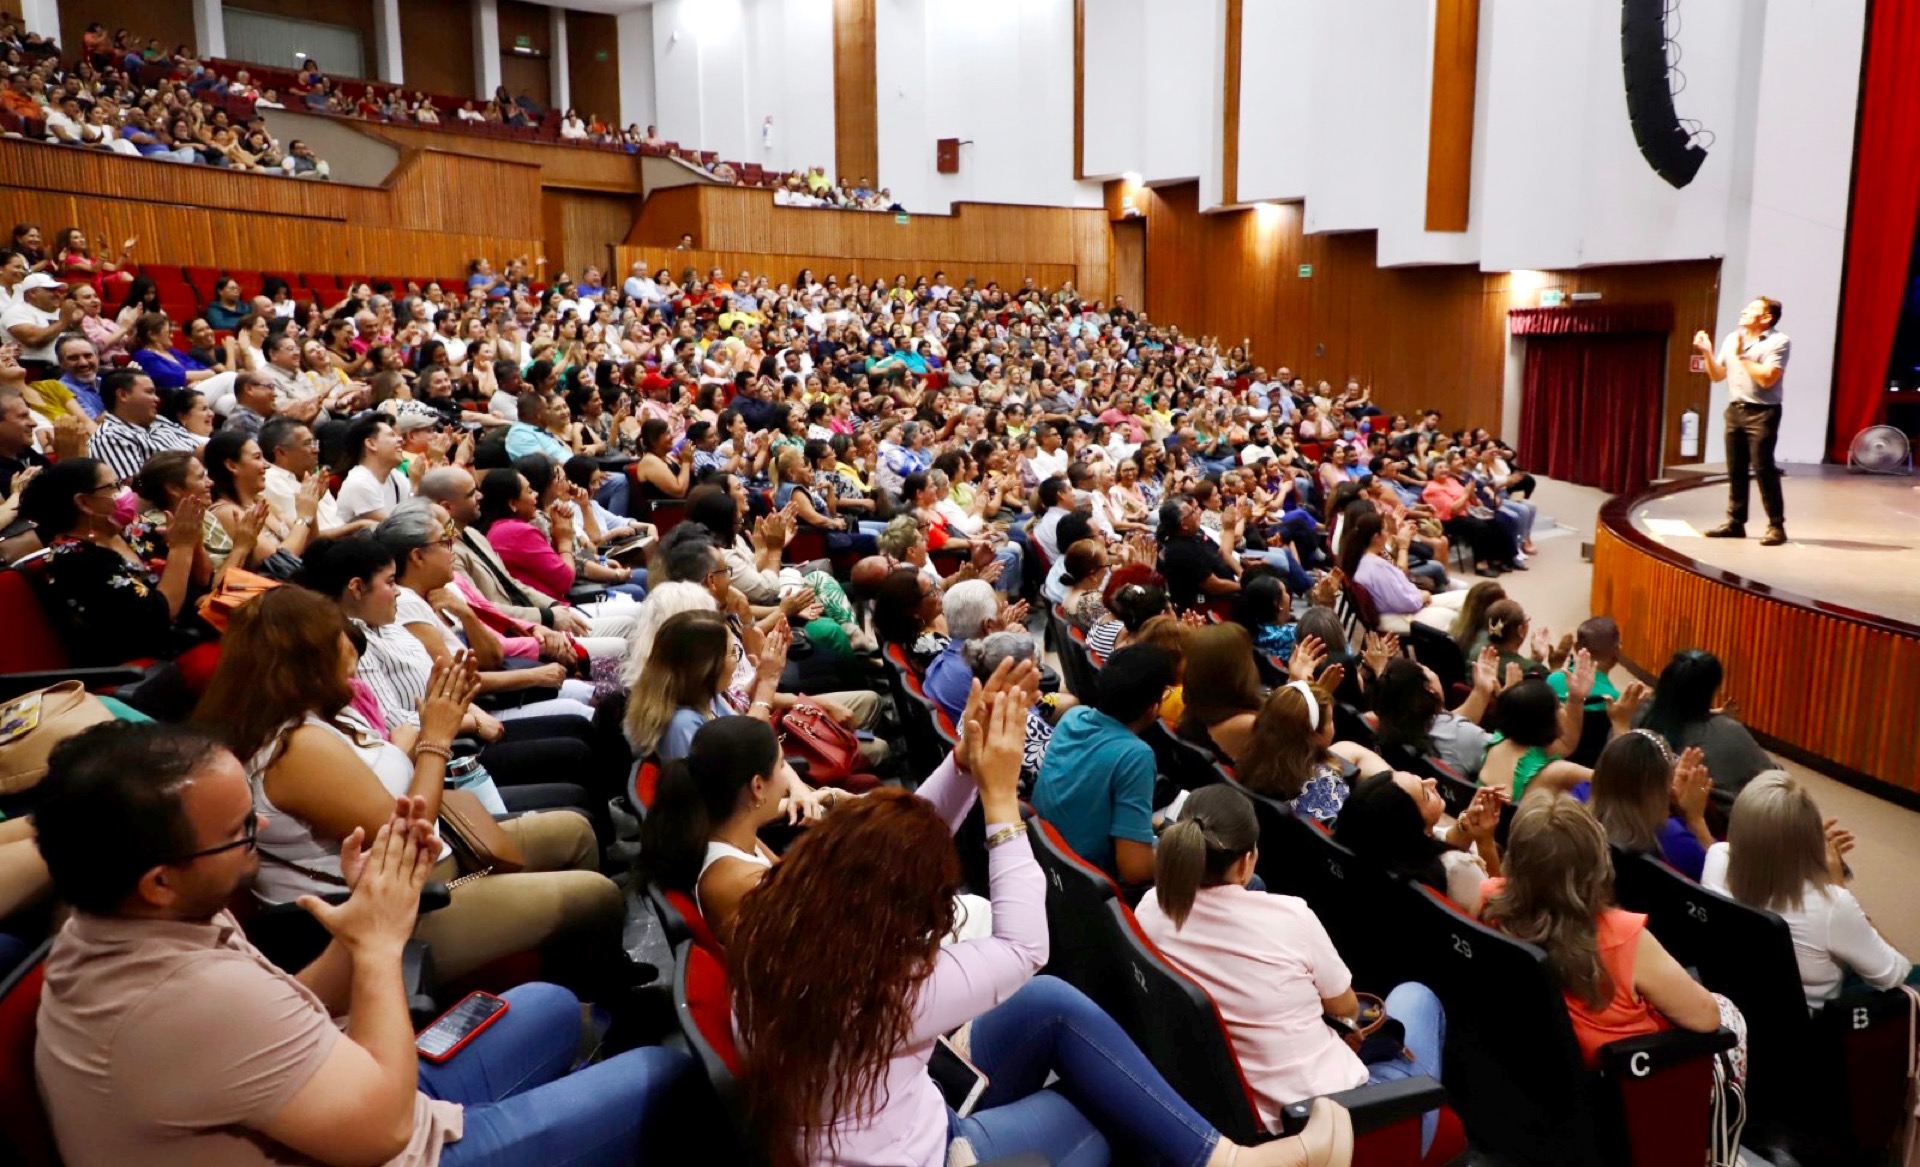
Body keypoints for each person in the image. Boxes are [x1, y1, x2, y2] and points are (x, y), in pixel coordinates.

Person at [730, 668, 1352, 1167]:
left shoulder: (782, 919)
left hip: (888, 1101)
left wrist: (966, 765)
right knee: (1109, 1120)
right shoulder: (891, 989)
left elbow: (884, 849)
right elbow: (1025, 946)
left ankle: (1222, 1158)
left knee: (1051, 1002)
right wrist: (1000, 804)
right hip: (918, 1150)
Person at [31, 721, 694, 1167]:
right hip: (382, 1141)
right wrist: (378, 946)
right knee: (672, 1075)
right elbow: (384, 1132)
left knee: (549, 1004)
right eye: (241, 831)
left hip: (351, 1098)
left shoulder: (126, 920)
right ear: (158, 880)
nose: (261, 825)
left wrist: (369, 916)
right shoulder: (180, 997)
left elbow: (291, 1006)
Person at [1138, 785, 1448, 1153]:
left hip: (1231, 1103)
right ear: (1243, 861)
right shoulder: (1291, 918)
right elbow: (1348, 1010)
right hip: (1337, 1125)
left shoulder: (1149, 907)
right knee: (1417, 996)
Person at [1481, 794, 1724, 1066]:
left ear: (1514, 860)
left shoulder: (1488, 902)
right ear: (1597, 864)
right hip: (1635, 1084)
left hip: (1532, 1070)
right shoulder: (1625, 938)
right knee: (1727, 1013)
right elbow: (1708, 1018)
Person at [1702, 772, 1917, 1009]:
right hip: (1809, 1029)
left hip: (1739, 1002)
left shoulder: (1717, 857)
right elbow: (1894, 974)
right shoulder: (1832, 905)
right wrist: (1837, 885)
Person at [19, 457, 211, 665]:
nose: (125, 492)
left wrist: (193, 540)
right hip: (147, 660)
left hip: (189, 631)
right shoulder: (74, 560)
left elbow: (202, 580)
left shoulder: (133, 529)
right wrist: (181, 547)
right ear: (84, 502)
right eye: (114, 487)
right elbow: (160, 615)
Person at [1031, 645, 1176, 886]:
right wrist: (1185, 856)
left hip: (1051, 863)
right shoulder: (1135, 755)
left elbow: (1086, 798)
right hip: (1088, 883)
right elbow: (1134, 868)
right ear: (1153, 707)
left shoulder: (1073, 717)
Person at [1335, 773, 1506, 912]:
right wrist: (1485, 841)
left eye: (1419, 778)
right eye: (1426, 794)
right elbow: (1498, 911)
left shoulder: (1372, 843)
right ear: (1414, 827)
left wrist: (1465, 827)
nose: (1433, 781)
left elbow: (1439, 842)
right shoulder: (1459, 868)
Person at [1694, 297, 1789, 545]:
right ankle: (1736, 522)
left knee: (1763, 468)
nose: (1744, 311)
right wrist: (1707, 352)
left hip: (1763, 413)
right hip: (1735, 410)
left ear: (1766, 318)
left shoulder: (1778, 342)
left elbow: (1768, 379)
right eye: (1745, 308)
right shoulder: (1731, 338)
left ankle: (1776, 525)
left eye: (1752, 309)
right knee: (1735, 469)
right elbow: (1717, 375)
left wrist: (1743, 357)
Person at [1237, 681, 1390, 824]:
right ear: (1314, 735)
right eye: (1331, 720)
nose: (1333, 726)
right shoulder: (1326, 788)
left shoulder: (1248, 759)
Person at [1636, 649, 1774, 797]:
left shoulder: (1638, 713)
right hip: (1712, 816)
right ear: (1712, 691)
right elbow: (1775, 779)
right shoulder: (1730, 734)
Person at [1587, 731, 1714, 881]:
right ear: (1665, 786)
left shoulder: (1579, 818)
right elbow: (1724, 887)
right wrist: (1696, 820)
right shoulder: (1675, 841)